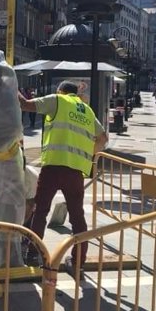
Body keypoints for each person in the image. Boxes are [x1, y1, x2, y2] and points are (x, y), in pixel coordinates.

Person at [18, 81, 108, 276]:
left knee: (40, 210)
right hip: (75, 171)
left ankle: (34, 253)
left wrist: (10, 84)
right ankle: (78, 263)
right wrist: (87, 154)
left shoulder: (57, 100)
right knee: (77, 217)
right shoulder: (87, 111)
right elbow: (103, 138)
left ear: (60, 91)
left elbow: (25, 104)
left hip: (53, 167)